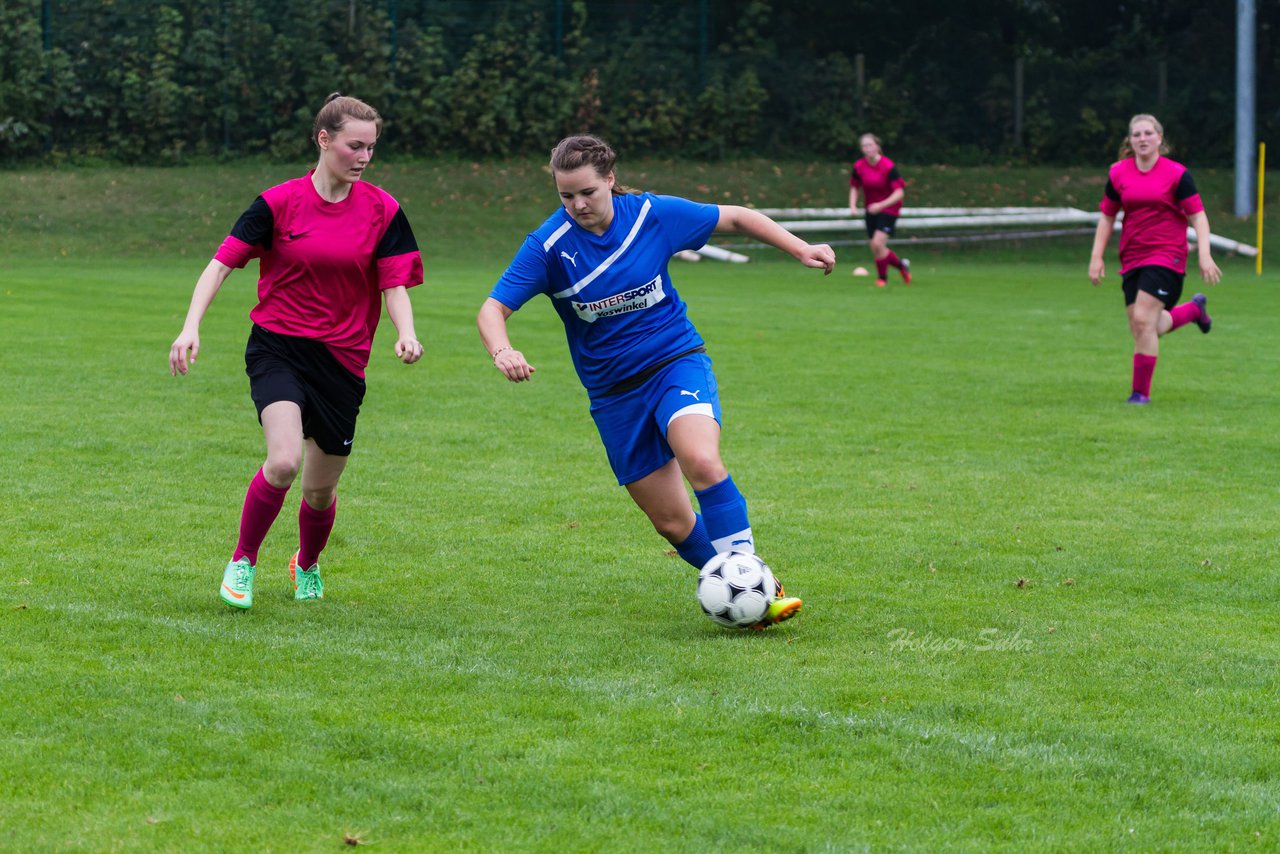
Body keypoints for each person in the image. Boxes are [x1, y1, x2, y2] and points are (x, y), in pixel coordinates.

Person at [477, 134, 835, 630]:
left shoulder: (651, 216)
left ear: (609, 180)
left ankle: (755, 587)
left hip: (675, 362)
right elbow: (493, 309)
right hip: (614, 396)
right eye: (566, 196)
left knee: (702, 460)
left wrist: (800, 248)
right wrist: (503, 349)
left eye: (587, 192)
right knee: (672, 522)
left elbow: (734, 216)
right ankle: (747, 592)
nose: (577, 205)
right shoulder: (549, 247)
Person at [169, 93, 424, 609]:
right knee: (282, 461)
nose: (364, 158)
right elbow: (220, 264)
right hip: (278, 348)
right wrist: (190, 325)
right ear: (324, 139)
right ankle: (243, 560)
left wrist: (406, 331)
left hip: (343, 360)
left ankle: (306, 562)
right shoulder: (277, 203)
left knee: (318, 492)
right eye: (355, 146)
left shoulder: (383, 209)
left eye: (371, 149)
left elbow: (393, 282)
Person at [1088, 113, 1221, 404]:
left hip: (1167, 256)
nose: (1142, 138)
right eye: (1136, 134)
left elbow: (1198, 217)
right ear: (1130, 141)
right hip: (1133, 257)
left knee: (1142, 320)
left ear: (1160, 138)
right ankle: (1194, 311)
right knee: (1145, 326)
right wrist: (1096, 257)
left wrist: (1205, 255)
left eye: (1148, 133)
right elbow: (1107, 217)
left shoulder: (1177, 174)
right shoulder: (1118, 174)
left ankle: (1140, 395)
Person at [849, 133, 910, 287]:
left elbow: (899, 192)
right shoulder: (859, 166)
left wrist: (881, 205)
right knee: (876, 247)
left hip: (889, 209)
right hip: (871, 210)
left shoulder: (888, 166)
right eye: (864, 146)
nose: (868, 148)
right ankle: (901, 267)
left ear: (877, 146)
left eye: (870, 145)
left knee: (877, 243)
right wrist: (853, 206)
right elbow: (854, 187)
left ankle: (882, 279)